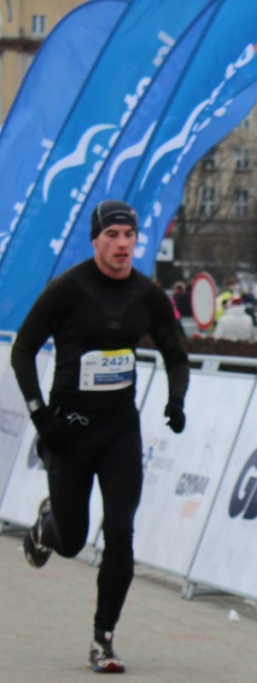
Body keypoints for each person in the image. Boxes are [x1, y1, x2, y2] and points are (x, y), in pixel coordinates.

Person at [11, 199, 190, 674]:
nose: (122, 244)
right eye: (112, 235)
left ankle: (103, 639)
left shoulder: (147, 295)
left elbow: (176, 355)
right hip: (69, 431)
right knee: (72, 542)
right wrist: (41, 417)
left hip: (119, 432)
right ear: (95, 241)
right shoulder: (68, 289)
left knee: (120, 531)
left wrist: (176, 401)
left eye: (129, 235)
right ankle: (49, 524)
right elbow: (22, 350)